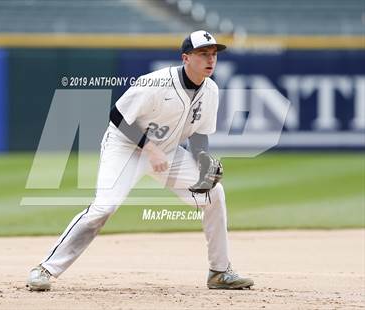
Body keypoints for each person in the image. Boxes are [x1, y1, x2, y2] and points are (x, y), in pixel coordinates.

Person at [27, 30, 254, 291]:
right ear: (185, 58)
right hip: (124, 148)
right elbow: (117, 116)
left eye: (213, 54)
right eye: (203, 54)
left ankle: (219, 271)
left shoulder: (211, 90)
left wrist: (203, 160)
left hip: (167, 152)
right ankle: (44, 269)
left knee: (214, 195)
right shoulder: (156, 83)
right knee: (104, 208)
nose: (210, 59)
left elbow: (199, 134)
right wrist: (150, 148)